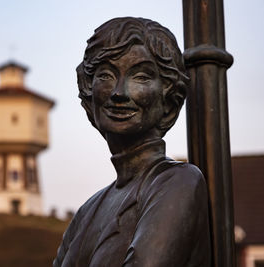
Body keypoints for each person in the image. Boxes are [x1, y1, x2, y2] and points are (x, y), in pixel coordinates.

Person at [54, 17, 211, 267]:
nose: (119, 92)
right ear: (88, 90)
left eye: (141, 77)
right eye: (105, 74)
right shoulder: (88, 210)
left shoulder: (176, 182)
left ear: (169, 100)